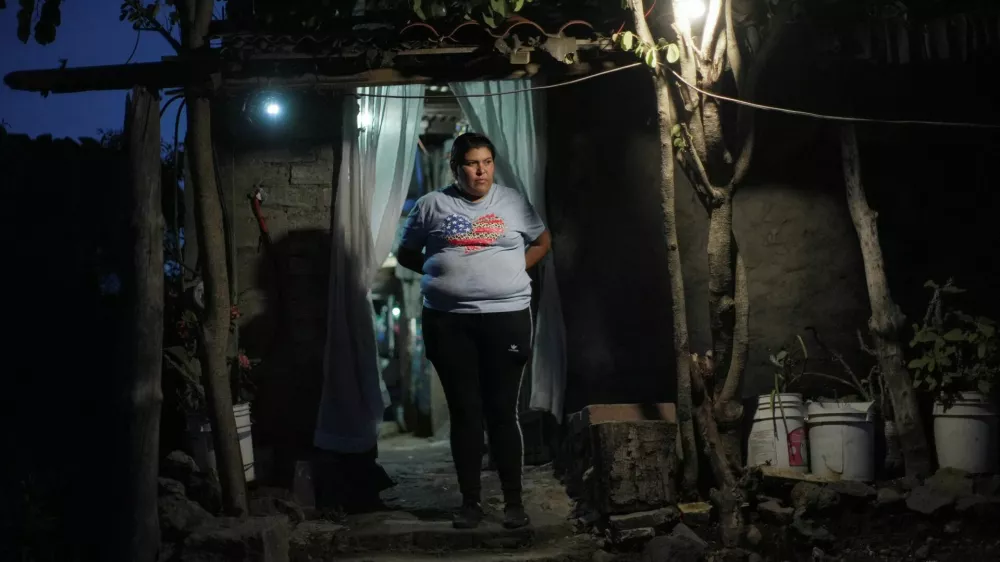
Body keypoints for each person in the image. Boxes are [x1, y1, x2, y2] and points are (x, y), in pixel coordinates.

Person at [396, 132, 552, 529]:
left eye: (486, 162)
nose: (480, 171)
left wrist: (515, 270)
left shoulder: (513, 201)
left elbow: (542, 240)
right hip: (449, 321)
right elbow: (407, 252)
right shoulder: (431, 205)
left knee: (502, 411)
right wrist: (442, 278)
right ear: (455, 166)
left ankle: (513, 502)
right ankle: (470, 503)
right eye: (471, 163)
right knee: (466, 411)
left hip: (507, 317)